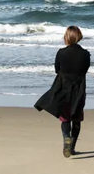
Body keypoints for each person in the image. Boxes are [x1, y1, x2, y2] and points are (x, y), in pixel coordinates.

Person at [34, 25, 90, 158]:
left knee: (65, 118)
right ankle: (72, 147)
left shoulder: (61, 52)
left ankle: (66, 138)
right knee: (76, 119)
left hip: (63, 88)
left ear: (67, 37)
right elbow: (85, 70)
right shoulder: (85, 54)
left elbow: (57, 70)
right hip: (79, 89)